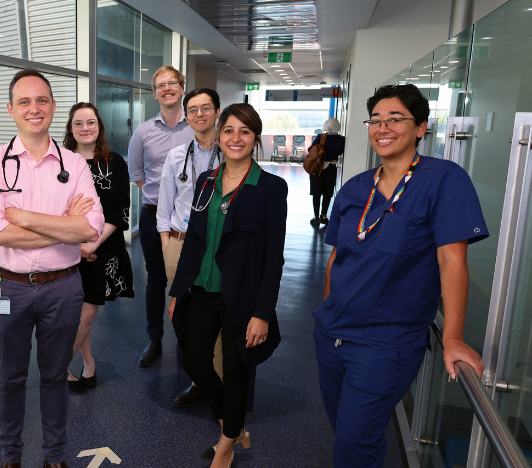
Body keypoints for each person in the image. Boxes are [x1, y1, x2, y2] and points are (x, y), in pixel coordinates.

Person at [313, 84, 487, 467]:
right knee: (348, 431)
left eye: (395, 118)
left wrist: (454, 337)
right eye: (375, 120)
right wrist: (327, 308)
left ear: (421, 127)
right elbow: (338, 257)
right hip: (332, 333)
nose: (382, 127)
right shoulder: (356, 187)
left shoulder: (444, 180)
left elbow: (452, 262)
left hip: (386, 341)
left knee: (352, 442)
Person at [0, 69, 105, 468]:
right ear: (11, 109)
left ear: (53, 107)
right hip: (4, 287)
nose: (35, 109)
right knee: (9, 379)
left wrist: (24, 217)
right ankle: (10, 458)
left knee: (54, 377)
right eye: (25, 102)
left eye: (43, 100)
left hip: (62, 287)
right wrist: (63, 226)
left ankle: (54, 457)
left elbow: (90, 227)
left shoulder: (75, 164)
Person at [170, 103, 287, 468]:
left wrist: (262, 313)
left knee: (236, 374)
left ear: (255, 139)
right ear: (219, 136)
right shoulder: (207, 181)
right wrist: (176, 292)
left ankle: (225, 445)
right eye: (229, 131)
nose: (236, 138)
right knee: (195, 363)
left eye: (245, 132)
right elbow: (193, 241)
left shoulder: (270, 188)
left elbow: (273, 257)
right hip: (201, 290)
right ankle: (233, 427)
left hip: (242, 298)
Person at [157, 88, 224, 407]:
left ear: (217, 112)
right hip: (180, 245)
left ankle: (219, 388)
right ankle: (199, 379)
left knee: (219, 319)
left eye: (206, 108)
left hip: (219, 248)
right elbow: (163, 206)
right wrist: (167, 244)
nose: (199, 114)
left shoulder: (231, 153)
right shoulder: (176, 156)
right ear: (185, 116)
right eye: (193, 110)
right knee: (185, 317)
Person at [62, 102, 134, 392]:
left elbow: (120, 212)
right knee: (78, 312)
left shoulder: (114, 162)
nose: (85, 128)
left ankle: (58, 368)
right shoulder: (61, 163)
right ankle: (89, 364)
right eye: (78, 123)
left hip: (102, 246)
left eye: (90, 122)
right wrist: (76, 242)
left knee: (88, 312)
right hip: (66, 246)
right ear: (70, 128)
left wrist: (91, 243)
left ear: (99, 126)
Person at [128, 65, 195, 368]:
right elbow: (137, 173)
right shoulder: (143, 132)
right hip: (153, 215)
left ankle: (186, 338)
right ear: (154, 93)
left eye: (172, 83)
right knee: (155, 279)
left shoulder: (198, 126)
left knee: (190, 280)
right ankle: (155, 338)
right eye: (160, 85)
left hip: (192, 219)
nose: (167, 89)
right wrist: (162, 198)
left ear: (182, 88)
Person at [308, 118, 345, 226]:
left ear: (326, 126)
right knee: (328, 193)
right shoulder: (342, 139)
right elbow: (341, 152)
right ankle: (324, 216)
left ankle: (316, 217)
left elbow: (311, 150)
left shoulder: (321, 137)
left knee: (316, 192)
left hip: (317, 167)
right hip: (331, 168)